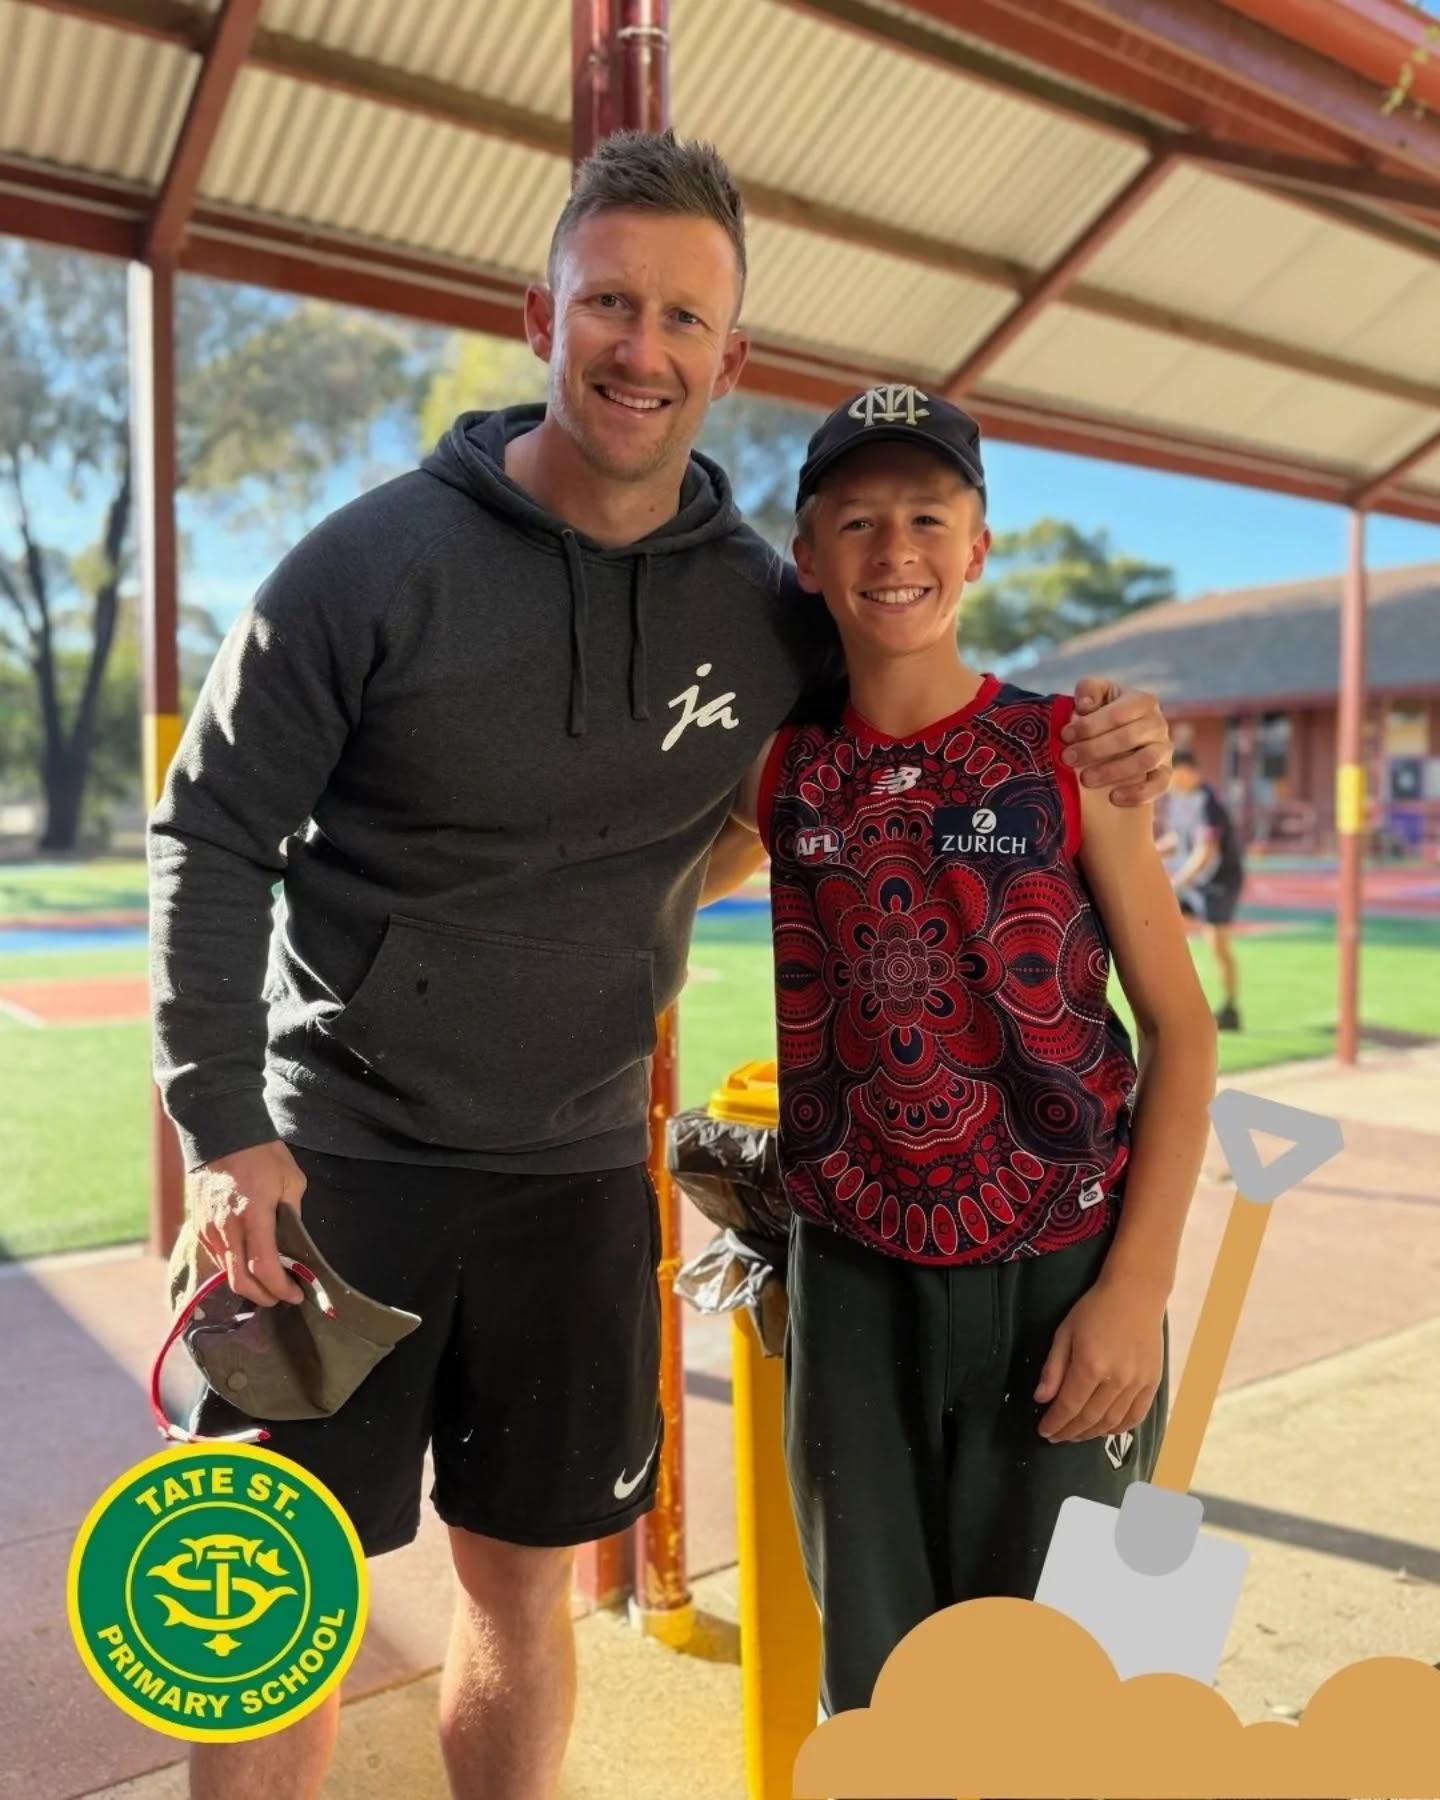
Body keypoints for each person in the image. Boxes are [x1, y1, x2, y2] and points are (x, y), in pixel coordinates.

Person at [148, 131, 1177, 1799]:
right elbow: (209, 834)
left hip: (571, 1178)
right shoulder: (367, 565)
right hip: (333, 1176)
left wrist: (1114, 731)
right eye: (610, 303)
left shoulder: (764, 616)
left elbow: (920, 694)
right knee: (272, 1606)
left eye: (683, 317)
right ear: (541, 315)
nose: (643, 347)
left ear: (732, 355)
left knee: (522, 1590)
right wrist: (220, 1127)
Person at [727, 389, 1217, 1720]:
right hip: (854, 1289)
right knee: (880, 1700)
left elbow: (1182, 1030)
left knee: (1061, 1703)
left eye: (929, 517)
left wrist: (1135, 1292)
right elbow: (631, 867)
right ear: (810, 556)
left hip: (1063, 1282)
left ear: (980, 548)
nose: (897, 550)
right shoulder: (781, 775)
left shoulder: (1071, 752)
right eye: (861, 522)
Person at [1158, 748, 1247, 1030]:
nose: (1167, 779)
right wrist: (1149, 851)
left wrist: (1176, 882)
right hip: (1194, 881)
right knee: (1166, 933)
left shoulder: (1209, 803)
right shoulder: (1177, 799)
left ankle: (1230, 1008)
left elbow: (1204, 852)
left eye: (1171, 772)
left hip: (1218, 881)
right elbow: (1178, 838)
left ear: (1186, 771)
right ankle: (1175, 1001)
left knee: (1217, 946)